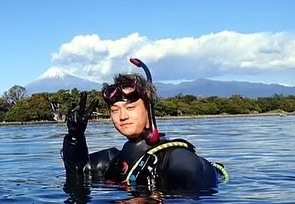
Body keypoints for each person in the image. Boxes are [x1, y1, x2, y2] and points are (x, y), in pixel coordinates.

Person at [61, 58, 228, 192]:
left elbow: (193, 179)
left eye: (131, 107)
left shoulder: (172, 157)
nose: (122, 116)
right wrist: (75, 136)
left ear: (149, 109)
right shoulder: (115, 159)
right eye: (114, 110)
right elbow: (78, 175)